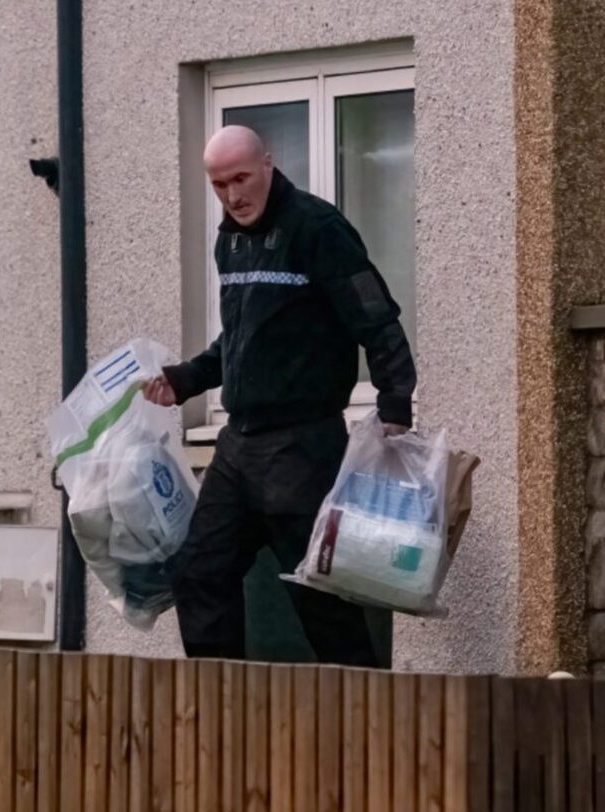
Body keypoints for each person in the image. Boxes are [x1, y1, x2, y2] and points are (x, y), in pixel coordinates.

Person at [143, 125, 416, 666]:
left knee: (316, 595)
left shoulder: (319, 229)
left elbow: (377, 320)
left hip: (302, 446)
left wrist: (394, 408)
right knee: (199, 574)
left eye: (241, 178)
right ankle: (220, 711)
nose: (232, 196)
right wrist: (186, 379)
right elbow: (241, 339)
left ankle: (364, 721)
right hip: (238, 447)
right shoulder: (231, 240)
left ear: (268, 164)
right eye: (219, 185)